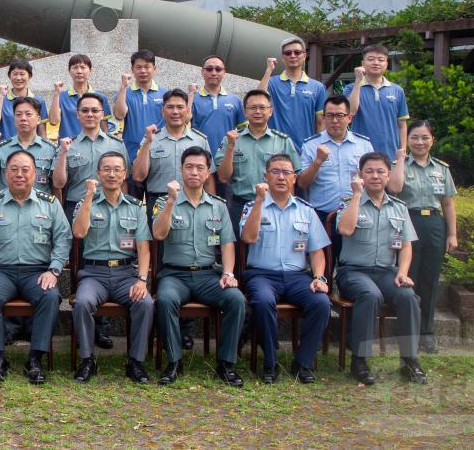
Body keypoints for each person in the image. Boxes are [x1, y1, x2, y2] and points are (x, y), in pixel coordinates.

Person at [0, 151, 71, 385]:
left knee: (50, 296)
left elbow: (64, 238)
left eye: (25, 169)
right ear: (5, 174)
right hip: (2, 271)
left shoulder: (50, 204)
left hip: (37, 271)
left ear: (35, 174)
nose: (19, 174)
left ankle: (35, 359)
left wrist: (54, 271)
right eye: (13, 169)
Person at [151, 147, 245, 387]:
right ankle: (174, 362)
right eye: (189, 167)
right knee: (165, 300)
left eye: (200, 168)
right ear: (181, 170)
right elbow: (158, 234)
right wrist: (172, 202)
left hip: (208, 275)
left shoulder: (218, 206)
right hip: (175, 275)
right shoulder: (164, 201)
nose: (194, 172)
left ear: (207, 173)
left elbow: (227, 244)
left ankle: (226, 364)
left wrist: (228, 273)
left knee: (236, 299)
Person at [239, 154, 331, 384]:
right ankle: (270, 363)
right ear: (265, 177)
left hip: (296, 276)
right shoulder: (252, 206)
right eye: (275, 172)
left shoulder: (306, 210)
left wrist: (319, 277)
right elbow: (248, 238)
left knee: (321, 302)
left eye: (286, 172)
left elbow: (317, 251)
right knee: (261, 301)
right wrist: (260, 201)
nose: (281, 177)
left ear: (294, 178)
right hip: (261, 275)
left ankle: (302, 363)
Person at [336, 152, 427, 386]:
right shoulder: (348, 202)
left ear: (388, 176)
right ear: (360, 175)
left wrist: (402, 272)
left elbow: (406, 245)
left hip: (386, 272)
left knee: (408, 297)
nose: (375, 176)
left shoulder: (399, 207)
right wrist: (357, 195)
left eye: (380, 171)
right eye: (369, 171)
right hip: (353, 271)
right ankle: (360, 361)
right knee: (370, 295)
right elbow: (345, 230)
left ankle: (410, 360)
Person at [52, 92, 128, 351]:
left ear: (102, 114)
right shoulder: (68, 144)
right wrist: (62, 154)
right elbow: (59, 183)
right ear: (77, 114)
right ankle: (81, 326)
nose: (90, 114)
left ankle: (103, 328)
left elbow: (124, 182)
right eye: (85, 110)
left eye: (95, 110)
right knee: (81, 267)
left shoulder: (116, 144)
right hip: (78, 208)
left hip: (112, 210)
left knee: (107, 262)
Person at [71, 153, 153, 384]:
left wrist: (142, 280)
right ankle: (88, 360)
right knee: (82, 302)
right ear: (98, 173)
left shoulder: (136, 207)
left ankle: (135, 362)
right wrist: (88, 197)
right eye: (106, 169)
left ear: (125, 174)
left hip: (125, 274)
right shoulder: (86, 202)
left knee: (145, 302)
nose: (112, 174)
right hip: (94, 274)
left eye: (117, 169)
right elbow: (78, 233)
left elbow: (144, 249)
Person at [387, 121, 458, 353]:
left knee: (430, 280)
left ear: (432, 140)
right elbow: (394, 190)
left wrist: (452, 233)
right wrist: (399, 160)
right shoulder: (400, 165)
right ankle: (408, 332)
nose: (420, 142)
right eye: (415, 137)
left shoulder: (441, 169)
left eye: (424, 137)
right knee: (409, 277)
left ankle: (426, 333)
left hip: (435, 224)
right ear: (409, 141)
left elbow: (447, 203)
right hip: (408, 222)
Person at [298, 95, 374, 260]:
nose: (335, 120)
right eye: (330, 115)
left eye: (340, 115)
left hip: (357, 215)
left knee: (353, 266)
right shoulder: (311, 145)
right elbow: (302, 183)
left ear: (349, 118)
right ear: (323, 117)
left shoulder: (364, 144)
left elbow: (372, 181)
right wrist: (318, 161)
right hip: (323, 217)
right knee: (323, 266)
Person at [215, 90, 301, 231]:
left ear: (271, 111)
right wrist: (231, 147)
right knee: (241, 249)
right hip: (240, 205)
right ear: (245, 112)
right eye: (253, 108)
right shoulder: (230, 139)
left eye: (262, 108)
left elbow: (291, 179)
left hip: (274, 204)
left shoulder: (282, 141)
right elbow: (223, 177)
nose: (258, 111)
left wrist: (290, 207)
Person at [132, 88, 215, 226]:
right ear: (162, 111)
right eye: (170, 107)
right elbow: (138, 176)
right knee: (158, 246)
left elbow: (209, 178)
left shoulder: (200, 140)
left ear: (187, 110)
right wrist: (147, 142)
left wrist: (212, 207)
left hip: (193, 202)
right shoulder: (151, 139)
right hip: (158, 201)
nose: (175, 112)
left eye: (180, 107)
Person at [258, 36, 327, 152]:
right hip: (274, 149)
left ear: (304, 56)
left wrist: (319, 147)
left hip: (305, 150)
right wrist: (269, 70)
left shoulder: (317, 87)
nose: (293, 56)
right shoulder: (272, 82)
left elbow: (320, 121)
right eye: (288, 53)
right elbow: (258, 99)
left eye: (297, 52)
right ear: (283, 57)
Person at [345, 44, 409, 158]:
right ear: (363, 63)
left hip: (391, 154)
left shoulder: (397, 90)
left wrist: (403, 150)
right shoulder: (351, 88)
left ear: (386, 64)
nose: (376, 63)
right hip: (359, 153)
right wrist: (358, 81)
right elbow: (351, 111)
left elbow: (402, 124)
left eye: (381, 60)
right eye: (371, 59)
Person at [0, 96, 56, 195]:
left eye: (28, 114)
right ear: (14, 119)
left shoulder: (50, 149)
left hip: (40, 207)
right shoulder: (1, 148)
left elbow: (57, 186)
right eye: (18, 114)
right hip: (7, 206)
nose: (23, 118)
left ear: (39, 119)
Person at [188, 55, 247, 156]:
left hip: (227, 158)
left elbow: (244, 129)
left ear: (224, 73)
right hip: (199, 158)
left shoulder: (235, 100)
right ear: (202, 72)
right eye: (209, 69)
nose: (213, 73)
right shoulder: (192, 99)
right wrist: (190, 95)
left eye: (218, 69)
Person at [112, 49, 163, 164]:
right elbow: (119, 115)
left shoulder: (164, 95)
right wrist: (123, 87)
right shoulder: (124, 93)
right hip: (131, 152)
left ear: (154, 69)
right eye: (138, 67)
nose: (143, 71)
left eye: (147, 67)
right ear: (132, 69)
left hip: (159, 151)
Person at [48, 54, 111, 140]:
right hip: (68, 147)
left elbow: (104, 127)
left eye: (83, 67)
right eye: (75, 67)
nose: (79, 71)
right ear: (69, 71)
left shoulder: (100, 97)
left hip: (94, 147)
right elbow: (53, 121)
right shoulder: (61, 96)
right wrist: (56, 94)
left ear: (90, 70)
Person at [0, 58, 48, 140]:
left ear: (29, 76)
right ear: (10, 76)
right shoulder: (1, 100)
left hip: (31, 150)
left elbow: (42, 132)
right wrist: (1, 96)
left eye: (22, 74)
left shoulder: (39, 100)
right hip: (7, 149)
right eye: (15, 74)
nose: (18, 78)